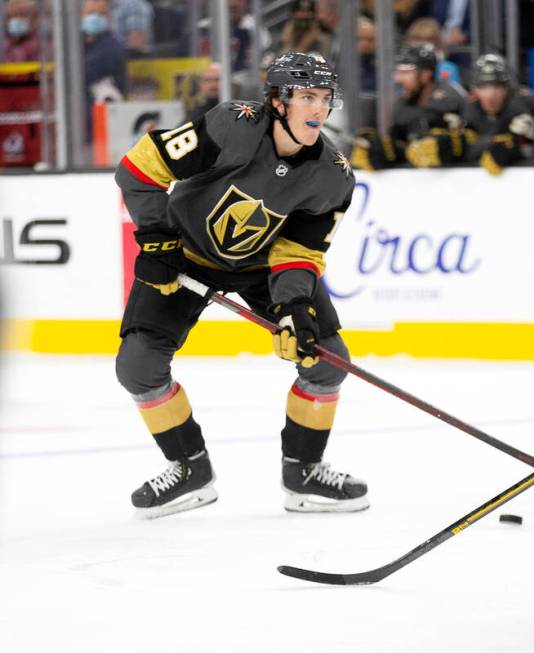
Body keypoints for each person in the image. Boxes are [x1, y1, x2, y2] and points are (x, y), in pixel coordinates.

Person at [114, 52, 366, 519]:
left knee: (328, 360)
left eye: (326, 99)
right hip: (184, 253)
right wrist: (156, 243)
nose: (318, 109)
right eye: (307, 97)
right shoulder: (233, 125)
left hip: (261, 267)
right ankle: (190, 469)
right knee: (138, 366)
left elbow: (299, 251)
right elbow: (140, 168)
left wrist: (293, 307)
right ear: (276, 101)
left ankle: (304, 472)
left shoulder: (334, 174)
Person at [351, 43, 467, 171]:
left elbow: (466, 142)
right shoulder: (401, 106)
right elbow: (401, 146)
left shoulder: (450, 98)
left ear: (425, 74)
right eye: (398, 72)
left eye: (406, 72)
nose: (398, 79)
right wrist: (380, 150)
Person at [461, 53, 534, 175]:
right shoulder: (468, 111)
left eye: (497, 86)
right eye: (483, 87)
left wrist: (529, 137)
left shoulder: (523, 105)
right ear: (475, 90)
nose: (490, 95)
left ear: (506, 89)